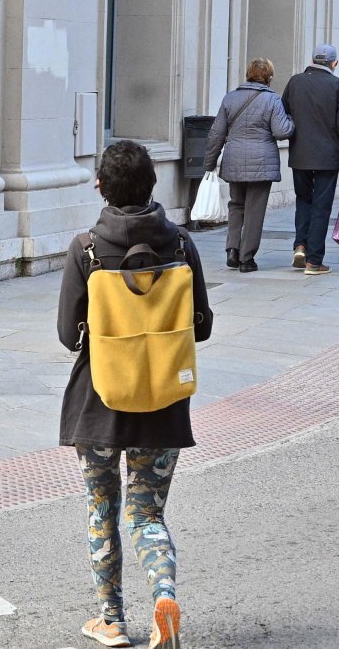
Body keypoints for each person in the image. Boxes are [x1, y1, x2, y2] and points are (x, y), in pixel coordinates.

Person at [57, 141, 214, 649]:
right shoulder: (183, 247)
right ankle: (164, 595)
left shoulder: (86, 248)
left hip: (102, 398)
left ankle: (111, 621)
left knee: (102, 507)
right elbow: (202, 326)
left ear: (100, 185)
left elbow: (67, 333)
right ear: (152, 185)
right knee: (147, 513)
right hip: (164, 399)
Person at [204, 57, 294, 273]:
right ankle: (246, 258)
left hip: (234, 159)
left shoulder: (230, 98)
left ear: (248, 74)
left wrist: (209, 163)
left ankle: (232, 250)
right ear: (269, 78)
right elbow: (282, 131)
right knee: (255, 209)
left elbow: (216, 133)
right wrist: (291, 120)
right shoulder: (273, 100)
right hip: (262, 162)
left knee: (236, 205)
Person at [281, 43, 339, 275]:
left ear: (312, 60)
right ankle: (314, 262)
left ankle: (300, 245)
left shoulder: (295, 82)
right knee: (321, 206)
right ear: (334, 63)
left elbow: (284, 113)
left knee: (303, 201)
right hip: (327, 157)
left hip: (300, 155)